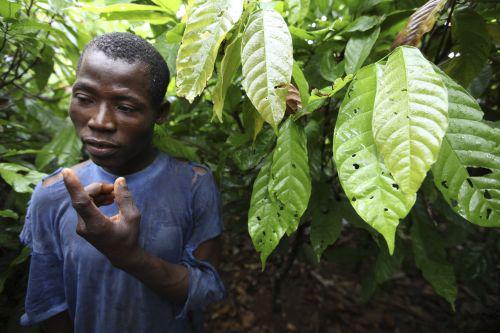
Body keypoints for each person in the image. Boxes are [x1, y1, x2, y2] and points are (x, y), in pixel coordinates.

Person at [19, 32, 225, 333]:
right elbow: (49, 304)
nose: (100, 121)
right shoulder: (51, 195)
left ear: (160, 113)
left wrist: (128, 256)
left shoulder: (194, 185)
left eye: (125, 107)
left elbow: (207, 290)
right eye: (85, 99)